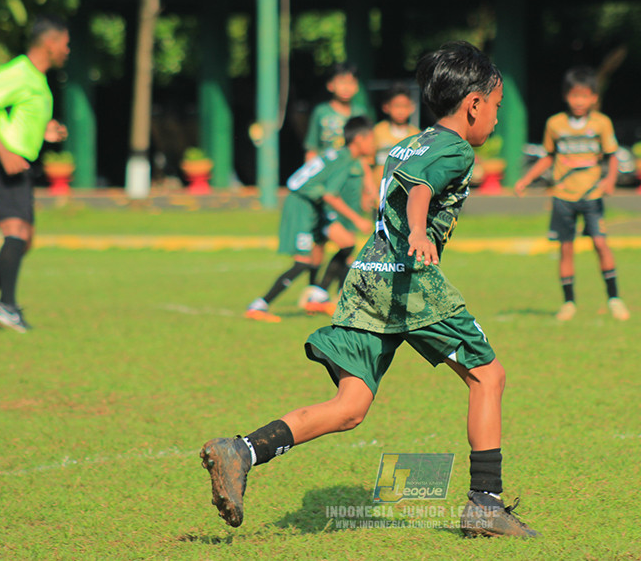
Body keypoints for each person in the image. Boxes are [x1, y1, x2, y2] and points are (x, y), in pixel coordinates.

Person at [201, 41, 538, 538]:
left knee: (350, 406)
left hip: (367, 276)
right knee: (488, 376)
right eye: (495, 107)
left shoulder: (409, 143)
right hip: (409, 279)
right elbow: (420, 188)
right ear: (473, 104)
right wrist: (421, 232)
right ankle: (485, 503)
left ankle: (241, 451)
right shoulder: (455, 148)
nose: (495, 119)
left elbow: (407, 178)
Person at [0, 16, 71, 332]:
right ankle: (6, 306)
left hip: (21, 165)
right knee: (15, 231)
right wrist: (4, 152)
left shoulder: (39, 81)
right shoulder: (17, 72)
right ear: (50, 43)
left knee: (23, 239)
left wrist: (45, 130)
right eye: (65, 43)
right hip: (0, 161)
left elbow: (20, 119)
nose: (67, 50)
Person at [514, 66, 630, 322]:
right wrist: (526, 178)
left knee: (600, 244)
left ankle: (614, 299)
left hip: (591, 196)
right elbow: (548, 157)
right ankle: (568, 303)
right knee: (566, 249)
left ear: (594, 98)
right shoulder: (555, 124)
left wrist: (610, 180)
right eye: (574, 95)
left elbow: (612, 157)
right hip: (563, 197)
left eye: (585, 96)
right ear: (566, 96)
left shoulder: (601, 123)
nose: (579, 101)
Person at [245, 117, 375, 323]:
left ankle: (318, 296)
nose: (374, 144)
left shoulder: (340, 155)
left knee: (347, 243)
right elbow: (330, 195)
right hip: (301, 205)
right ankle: (259, 305)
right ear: (359, 139)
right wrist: (357, 219)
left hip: (314, 205)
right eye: (371, 139)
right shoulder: (345, 159)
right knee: (303, 262)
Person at [303, 62, 367, 162]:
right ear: (330, 85)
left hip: (353, 172)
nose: (346, 87)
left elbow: (367, 149)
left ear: (357, 86)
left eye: (351, 82)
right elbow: (312, 149)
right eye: (342, 82)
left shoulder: (360, 112)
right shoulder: (320, 112)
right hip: (327, 173)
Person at [371, 82, 419, 187]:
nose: (401, 111)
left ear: (412, 107)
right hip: (378, 191)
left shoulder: (417, 135)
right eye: (397, 106)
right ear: (386, 107)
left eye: (405, 106)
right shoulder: (377, 131)